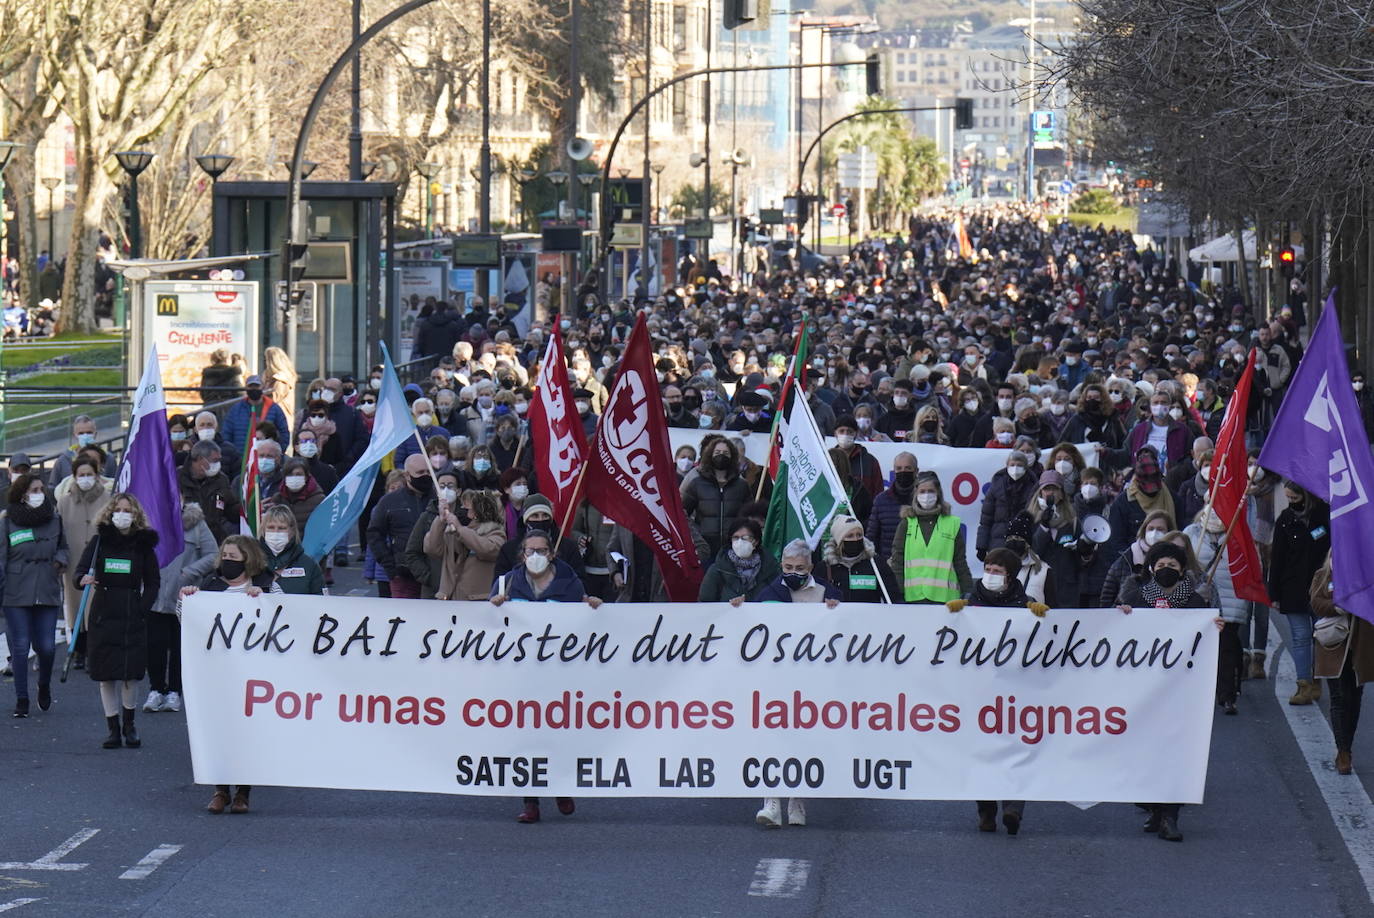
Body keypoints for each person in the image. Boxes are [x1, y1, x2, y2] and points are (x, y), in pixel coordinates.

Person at [490, 529, 600, 825]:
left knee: (558, 732)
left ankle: (561, 787)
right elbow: (489, 622)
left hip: (559, 674)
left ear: (552, 554)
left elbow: (584, 621)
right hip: (521, 674)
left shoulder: (569, 582)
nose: (535, 556)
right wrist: (495, 606)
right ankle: (531, 801)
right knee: (527, 735)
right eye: (530, 551)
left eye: (541, 550)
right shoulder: (508, 581)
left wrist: (593, 608)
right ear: (522, 554)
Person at [1116, 540, 1214, 842]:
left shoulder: (1196, 604)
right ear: (1151, 569)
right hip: (1144, 694)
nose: (1167, 570)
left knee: (1177, 754)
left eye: (1172, 566)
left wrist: (1216, 629)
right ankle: (1155, 810)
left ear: (1182, 569)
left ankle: (1171, 816)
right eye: (1161, 566)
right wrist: (1120, 616)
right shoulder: (1137, 598)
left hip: (1182, 694)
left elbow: (1205, 643)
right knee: (1148, 754)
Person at [947, 547, 1046, 835]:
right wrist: (952, 615)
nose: (990, 575)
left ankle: (1013, 808)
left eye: (998, 571)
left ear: (1010, 576)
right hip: (979, 691)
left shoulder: (1024, 604)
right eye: (988, 568)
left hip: (1016, 690)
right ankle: (986, 810)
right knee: (983, 750)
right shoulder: (970, 600)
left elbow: (1042, 643)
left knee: (1017, 748)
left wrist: (1043, 619)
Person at [181, 536, 283, 814]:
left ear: (247, 559)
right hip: (216, 673)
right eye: (224, 555)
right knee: (218, 731)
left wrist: (265, 600)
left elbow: (285, 615)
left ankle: (243, 793)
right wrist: (187, 599)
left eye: (233, 556)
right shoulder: (211, 586)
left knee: (246, 733)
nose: (227, 560)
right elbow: (188, 621)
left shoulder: (265, 585)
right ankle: (220, 790)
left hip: (252, 673)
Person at [752, 538, 841, 829]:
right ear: (781, 566)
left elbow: (850, 628)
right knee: (774, 737)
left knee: (804, 739)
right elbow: (751, 625)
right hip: (777, 680)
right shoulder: (770, 592)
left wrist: (839, 610)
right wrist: (739, 607)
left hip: (814, 682)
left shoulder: (828, 594)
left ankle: (797, 801)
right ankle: (771, 802)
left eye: (799, 568)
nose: (793, 572)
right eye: (788, 567)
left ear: (810, 567)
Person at [74, 493, 160, 750]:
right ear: (110, 512)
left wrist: (143, 608)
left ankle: (129, 725)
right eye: (118, 509)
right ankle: (112, 728)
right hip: (103, 612)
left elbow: (153, 581)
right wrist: (82, 580)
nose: (122, 514)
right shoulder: (100, 542)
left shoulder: (143, 545)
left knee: (129, 675)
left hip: (132, 612)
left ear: (135, 516)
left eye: (128, 510)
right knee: (105, 674)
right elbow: (80, 571)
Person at [1, 474, 67, 717]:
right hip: (16, 591)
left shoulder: (54, 519)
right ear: (22, 494)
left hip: (46, 588)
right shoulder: (8, 521)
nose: (40, 492)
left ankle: (43, 685)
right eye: (34, 489)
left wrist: (60, 561)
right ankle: (21, 698)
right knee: (20, 647)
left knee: (47, 648)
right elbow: (1, 557)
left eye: (41, 488)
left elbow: (64, 547)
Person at [145, 497, 218, 713]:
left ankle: (175, 691)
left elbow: (213, 554)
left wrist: (188, 573)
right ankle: (156, 689)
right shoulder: (150, 520)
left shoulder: (196, 523)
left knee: (179, 646)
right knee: (154, 645)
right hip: (155, 594)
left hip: (183, 595)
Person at [1268, 482, 1330, 706]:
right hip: (1292, 588)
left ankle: (1317, 679)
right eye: (1288, 499)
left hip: (1320, 588)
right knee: (1301, 637)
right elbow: (1277, 558)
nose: (1292, 503)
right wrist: (1273, 593)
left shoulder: (1324, 514)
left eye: (1295, 498)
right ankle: (1303, 683)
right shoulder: (1285, 519)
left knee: (1322, 636)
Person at [1312, 553, 1371, 776]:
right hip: (1334, 644)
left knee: (1354, 697)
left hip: (1360, 644)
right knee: (1338, 697)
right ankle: (1342, 751)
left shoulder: (1366, 577)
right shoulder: (1324, 574)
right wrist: (1338, 606)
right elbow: (1316, 602)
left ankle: (1347, 745)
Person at [1185, 508, 1247, 714]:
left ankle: (1227, 696)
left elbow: (1248, 565)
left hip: (1229, 601)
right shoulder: (1192, 533)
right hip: (1198, 599)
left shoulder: (1238, 533)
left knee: (1226, 649)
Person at [57, 455, 113, 669]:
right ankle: (79, 650)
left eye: (89, 474)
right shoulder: (64, 502)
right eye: (81, 475)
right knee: (74, 605)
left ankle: (94, 651)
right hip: (73, 560)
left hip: (98, 559)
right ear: (74, 477)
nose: (86, 478)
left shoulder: (107, 498)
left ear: (97, 475)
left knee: (96, 606)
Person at [889, 472, 973, 604]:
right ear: (916, 494)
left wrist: (968, 590)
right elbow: (898, 560)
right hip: (914, 597)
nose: (926, 495)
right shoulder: (907, 523)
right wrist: (897, 591)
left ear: (938, 493)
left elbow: (960, 561)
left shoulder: (952, 523)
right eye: (922, 491)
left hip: (946, 599)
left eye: (931, 491)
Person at [366, 454, 433, 600]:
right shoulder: (389, 501)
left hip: (436, 574)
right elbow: (374, 534)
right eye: (420, 473)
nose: (426, 476)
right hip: (404, 575)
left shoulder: (439, 498)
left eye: (429, 471)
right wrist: (390, 567)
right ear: (407, 475)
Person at [425, 488, 505, 601]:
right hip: (449, 598)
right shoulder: (451, 532)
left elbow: (488, 549)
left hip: (476, 601)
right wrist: (440, 520)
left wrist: (460, 529)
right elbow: (432, 549)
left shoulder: (495, 532)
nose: (462, 509)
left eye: (467, 507)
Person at [680, 436, 750, 560]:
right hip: (704, 548)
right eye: (717, 452)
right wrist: (696, 534)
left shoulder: (741, 485)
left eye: (725, 453)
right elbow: (682, 513)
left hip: (733, 548)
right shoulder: (697, 483)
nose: (721, 456)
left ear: (732, 456)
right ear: (710, 455)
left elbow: (749, 516)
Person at [403, 468, 462, 598]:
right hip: (433, 591)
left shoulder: (467, 517)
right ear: (436, 490)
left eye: (450, 486)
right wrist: (429, 578)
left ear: (458, 491)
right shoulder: (426, 517)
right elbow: (412, 552)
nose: (446, 490)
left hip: (461, 589)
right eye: (442, 486)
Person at [697, 518, 781, 604]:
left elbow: (778, 599)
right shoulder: (717, 569)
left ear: (755, 541)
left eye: (745, 538)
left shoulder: (770, 568)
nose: (740, 542)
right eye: (735, 538)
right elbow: (705, 603)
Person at [818, 515, 900, 603]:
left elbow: (894, 597)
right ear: (839, 540)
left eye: (859, 535)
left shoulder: (876, 564)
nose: (856, 539)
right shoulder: (825, 568)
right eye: (850, 536)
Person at [1100, 510, 1175, 607]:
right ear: (1144, 531)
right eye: (1151, 529)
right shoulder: (1126, 559)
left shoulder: (1176, 559)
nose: (1154, 533)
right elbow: (1106, 599)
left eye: (1160, 529)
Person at [177, 439, 241, 543]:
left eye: (219, 460)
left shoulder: (221, 480)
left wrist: (247, 508)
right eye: (214, 460)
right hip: (185, 539)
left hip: (213, 538)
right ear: (200, 459)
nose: (218, 464)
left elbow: (230, 509)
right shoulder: (175, 478)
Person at [977, 450, 1036, 561]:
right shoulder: (996, 486)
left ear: (1026, 467)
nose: (1015, 468)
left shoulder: (1033, 487)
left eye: (1019, 465)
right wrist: (981, 546)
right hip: (998, 542)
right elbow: (986, 519)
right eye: (1012, 465)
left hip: (1024, 544)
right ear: (1007, 466)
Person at [260, 505, 325, 595]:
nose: (276, 532)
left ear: (292, 531)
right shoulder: (252, 562)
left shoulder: (309, 565)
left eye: (282, 528)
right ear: (263, 530)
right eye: (271, 527)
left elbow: (322, 602)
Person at [866, 452, 917, 559]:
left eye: (908, 468)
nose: (903, 472)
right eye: (899, 468)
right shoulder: (881, 500)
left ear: (916, 471)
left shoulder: (922, 500)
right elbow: (871, 537)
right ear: (894, 471)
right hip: (888, 564)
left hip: (918, 564)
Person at [222, 374, 290, 455]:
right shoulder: (235, 410)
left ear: (263, 387)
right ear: (246, 388)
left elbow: (284, 433)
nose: (254, 389)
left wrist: (278, 453)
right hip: (241, 458)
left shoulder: (274, 409)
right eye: (251, 386)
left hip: (266, 457)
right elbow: (226, 433)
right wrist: (231, 455)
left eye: (257, 386)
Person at [48, 415, 118, 487]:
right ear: (75, 435)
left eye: (89, 432)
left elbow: (115, 484)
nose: (85, 436)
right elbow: (53, 487)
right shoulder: (63, 460)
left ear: (95, 434)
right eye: (81, 433)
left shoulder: (108, 459)